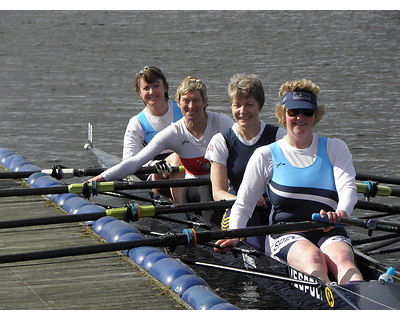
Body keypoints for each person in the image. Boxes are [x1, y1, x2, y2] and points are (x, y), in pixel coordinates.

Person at [215, 79, 364, 285]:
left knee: (344, 259)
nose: (300, 117)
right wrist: (234, 234)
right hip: (285, 232)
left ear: (315, 115)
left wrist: (341, 213)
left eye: (307, 112)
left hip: (329, 227)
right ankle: (329, 302)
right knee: (313, 259)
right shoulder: (266, 155)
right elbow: (244, 203)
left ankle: (360, 299)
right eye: (293, 112)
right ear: (283, 115)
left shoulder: (335, 148)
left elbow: (348, 188)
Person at [89, 76, 234, 224]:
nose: (191, 106)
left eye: (195, 100)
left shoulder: (221, 122)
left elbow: (247, 142)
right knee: (205, 187)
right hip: (192, 191)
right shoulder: (175, 132)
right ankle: (215, 233)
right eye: (186, 101)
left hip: (222, 191)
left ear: (205, 101)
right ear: (178, 103)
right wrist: (101, 178)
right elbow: (134, 162)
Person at [205, 74, 285, 249]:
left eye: (249, 104)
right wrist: (247, 198)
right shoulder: (221, 141)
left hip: (273, 206)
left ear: (259, 106)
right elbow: (218, 192)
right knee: (255, 239)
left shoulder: (279, 137)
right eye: (237, 105)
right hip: (237, 207)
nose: (242, 111)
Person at [123, 66, 184, 202]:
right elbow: (128, 161)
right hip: (157, 173)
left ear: (165, 87)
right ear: (139, 92)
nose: (151, 92)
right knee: (174, 159)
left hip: (187, 166)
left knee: (176, 158)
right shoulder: (137, 123)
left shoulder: (183, 110)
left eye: (156, 86)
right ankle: (181, 207)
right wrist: (153, 164)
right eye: (146, 88)